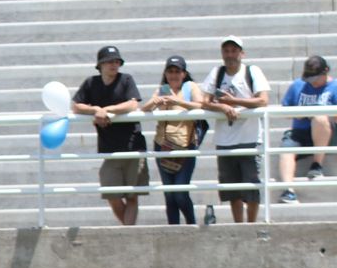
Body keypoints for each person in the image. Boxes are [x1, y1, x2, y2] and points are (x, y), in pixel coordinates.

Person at [70, 45, 146, 226]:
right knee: (111, 194)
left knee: (132, 195)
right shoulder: (91, 83)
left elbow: (132, 104)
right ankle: (129, 230)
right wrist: (95, 109)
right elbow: (76, 106)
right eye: (109, 61)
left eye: (117, 61)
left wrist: (106, 110)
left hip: (132, 146)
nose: (114, 65)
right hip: (109, 149)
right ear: (100, 65)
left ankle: (128, 234)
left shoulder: (126, 80)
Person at [200, 36, 271, 223]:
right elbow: (204, 102)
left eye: (234, 51)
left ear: (242, 53)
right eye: (226, 51)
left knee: (251, 186)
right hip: (225, 140)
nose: (230, 55)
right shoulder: (217, 73)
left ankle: (251, 224)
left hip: (250, 137)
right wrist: (222, 107)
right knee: (232, 188)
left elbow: (263, 100)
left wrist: (233, 102)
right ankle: (238, 225)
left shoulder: (252, 71)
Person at [141, 55, 207, 225]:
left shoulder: (190, 87)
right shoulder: (163, 89)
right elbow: (144, 109)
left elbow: (201, 105)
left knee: (180, 192)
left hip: (186, 146)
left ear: (184, 73)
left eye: (177, 71)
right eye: (170, 71)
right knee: (169, 194)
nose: (173, 75)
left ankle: (191, 224)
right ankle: (173, 230)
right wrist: (154, 102)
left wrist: (177, 100)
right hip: (163, 145)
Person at [275, 55, 336, 203]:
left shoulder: (335, 86)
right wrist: (301, 113)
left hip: (328, 132)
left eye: (315, 78)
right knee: (286, 148)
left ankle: (316, 165)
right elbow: (285, 111)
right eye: (310, 79)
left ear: (326, 71)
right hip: (300, 132)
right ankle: (288, 191)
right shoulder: (298, 85)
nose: (313, 83)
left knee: (319, 118)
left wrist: (320, 113)